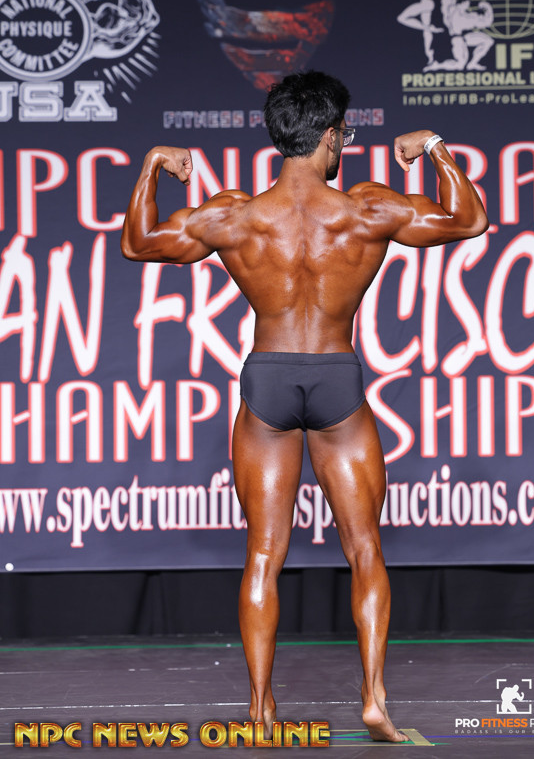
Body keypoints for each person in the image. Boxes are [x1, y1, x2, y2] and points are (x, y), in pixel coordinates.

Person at [121, 70, 489, 743]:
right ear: (331, 136)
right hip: (336, 380)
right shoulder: (366, 209)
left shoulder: (234, 216)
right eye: (343, 134)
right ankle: (374, 699)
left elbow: (137, 242)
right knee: (365, 547)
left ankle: (260, 712)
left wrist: (150, 167)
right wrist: (434, 145)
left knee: (264, 554)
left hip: (267, 381)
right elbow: (469, 219)